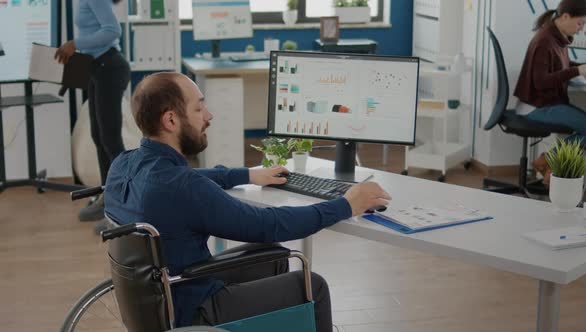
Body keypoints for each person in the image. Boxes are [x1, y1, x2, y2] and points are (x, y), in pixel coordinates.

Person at [103, 72, 392, 330]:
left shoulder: (123, 164)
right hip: (194, 309)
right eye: (198, 107)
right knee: (312, 285)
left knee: (274, 257)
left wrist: (248, 174)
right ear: (171, 120)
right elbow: (270, 224)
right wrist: (345, 205)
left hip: (157, 302)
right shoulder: (184, 187)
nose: (209, 115)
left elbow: (185, 178)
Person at [55, 0, 130, 221]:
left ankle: (124, 203)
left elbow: (113, 30)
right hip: (96, 68)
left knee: (111, 140)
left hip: (110, 67)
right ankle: (108, 196)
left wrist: (75, 43)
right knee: (99, 136)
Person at [514, 0, 586, 184]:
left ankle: (550, 162)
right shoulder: (545, 41)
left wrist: (580, 67)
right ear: (565, 17)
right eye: (580, 23)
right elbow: (541, 82)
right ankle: (549, 160)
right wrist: (576, 71)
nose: (581, 29)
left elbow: (558, 66)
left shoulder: (555, 37)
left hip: (544, 103)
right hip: (535, 107)